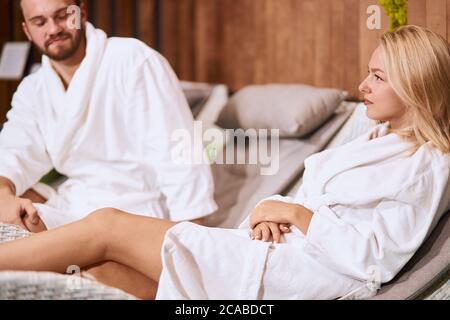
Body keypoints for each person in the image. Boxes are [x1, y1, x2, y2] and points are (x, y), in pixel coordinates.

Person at [1, 25, 449, 300]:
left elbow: (374, 259)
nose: (361, 85)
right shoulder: (377, 137)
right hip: (275, 247)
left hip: (296, 275)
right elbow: (308, 203)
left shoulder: (428, 164)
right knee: (107, 274)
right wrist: (267, 212)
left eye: (377, 76)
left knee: (107, 226)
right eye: (368, 73)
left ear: (414, 85)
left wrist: (293, 213)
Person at [0, 0, 217, 232]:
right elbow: (14, 151)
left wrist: (191, 235)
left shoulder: (132, 59)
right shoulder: (33, 89)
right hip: (75, 204)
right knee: (15, 209)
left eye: (63, 16)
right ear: (28, 31)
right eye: (40, 22)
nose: (53, 29)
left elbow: (177, 152)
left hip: (137, 208)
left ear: (81, 13)